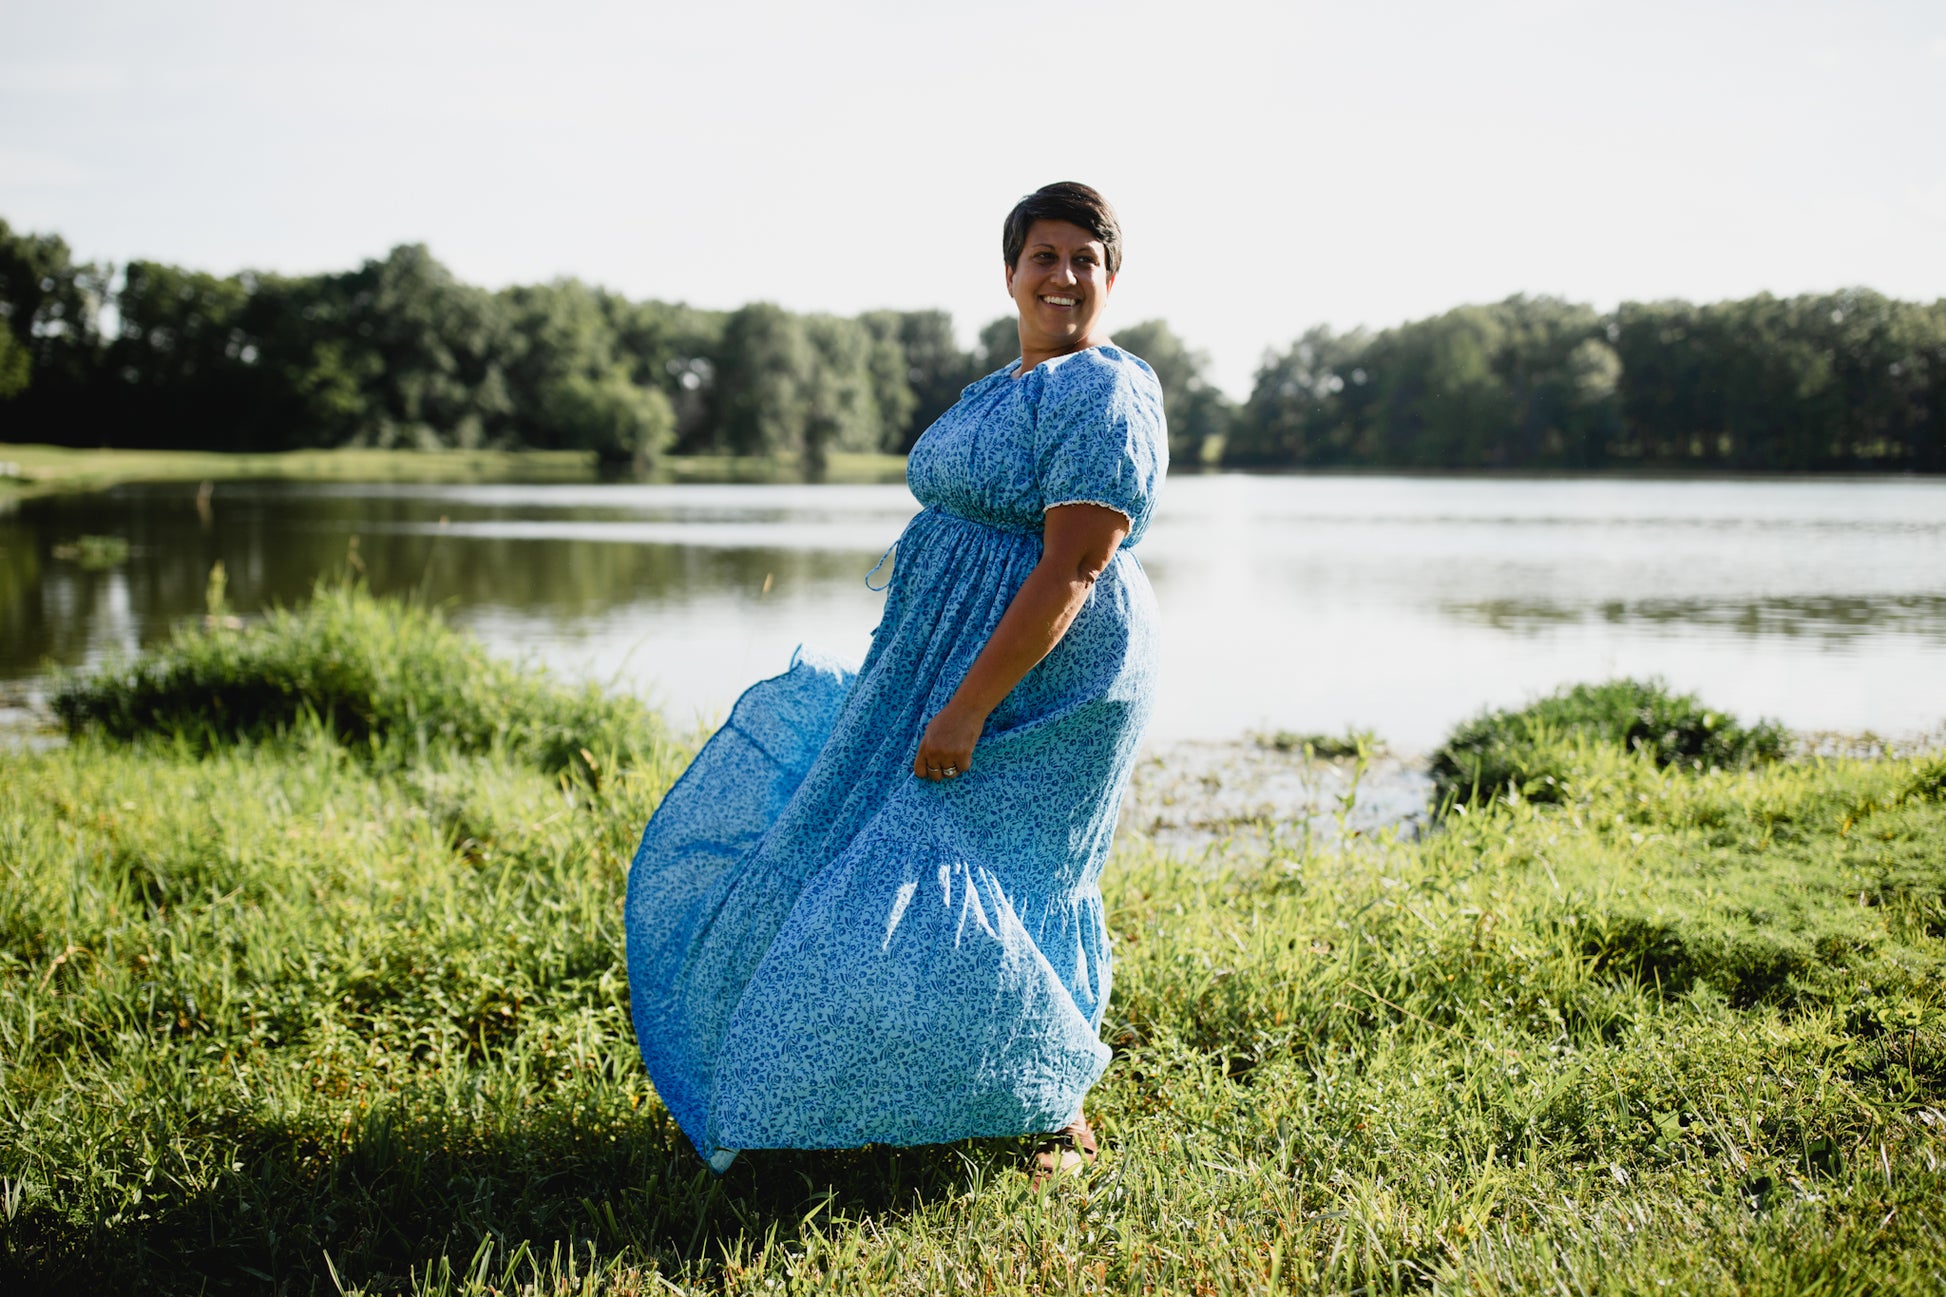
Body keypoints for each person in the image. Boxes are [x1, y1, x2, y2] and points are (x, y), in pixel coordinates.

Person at [625, 181, 1166, 1178]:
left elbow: (1073, 567)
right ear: (1009, 273)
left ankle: (1048, 1107)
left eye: (1082, 259)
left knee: (980, 870)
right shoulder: (999, 389)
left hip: (1044, 680)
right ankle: (916, 1094)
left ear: (1110, 277)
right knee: (880, 844)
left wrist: (966, 706)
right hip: (944, 661)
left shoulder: (1106, 390)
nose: (1061, 277)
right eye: (1041, 256)